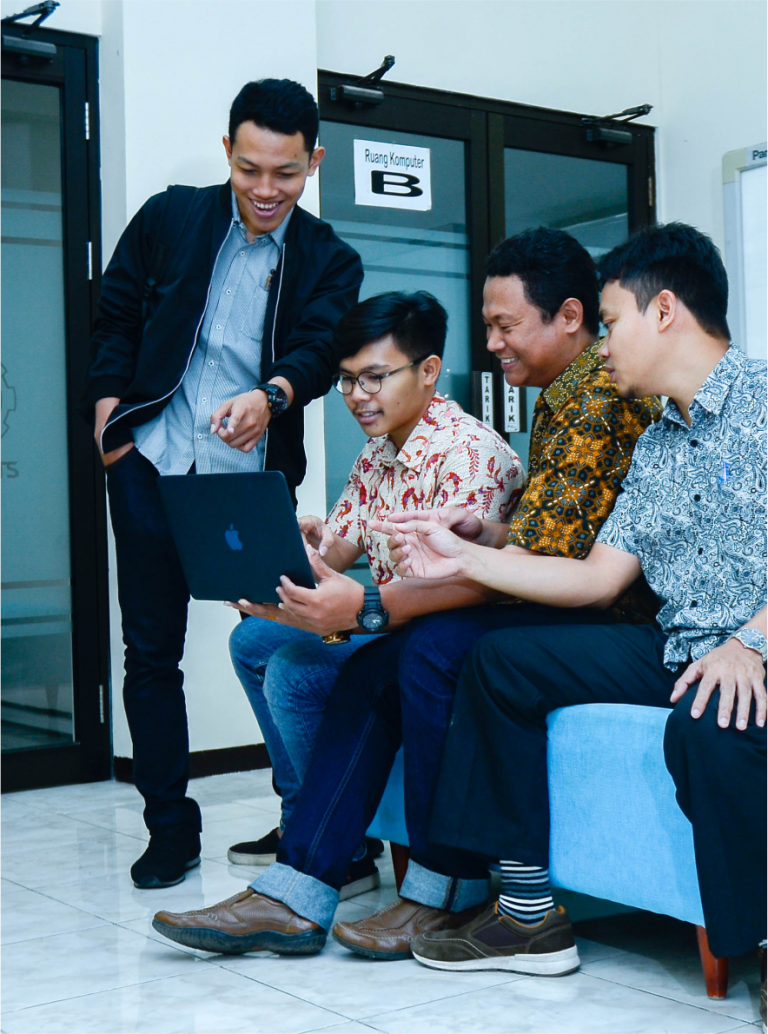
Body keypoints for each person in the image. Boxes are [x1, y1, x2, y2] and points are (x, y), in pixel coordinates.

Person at [150, 227, 661, 957]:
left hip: (597, 618)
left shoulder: (577, 402)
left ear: (572, 317)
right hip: (559, 600)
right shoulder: (562, 399)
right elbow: (550, 540)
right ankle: (304, 884)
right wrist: (485, 534)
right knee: (342, 656)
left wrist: (370, 605)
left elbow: (552, 569)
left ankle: (430, 886)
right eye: (347, 379)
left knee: (418, 654)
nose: (491, 343)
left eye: (505, 325)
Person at [378, 222, 766, 975]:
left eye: (611, 323)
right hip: (677, 646)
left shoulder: (762, 404)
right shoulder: (659, 441)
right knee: (501, 662)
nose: (604, 345)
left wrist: (749, 642)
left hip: (748, 646)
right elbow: (595, 578)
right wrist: (466, 556)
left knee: (711, 727)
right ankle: (526, 917)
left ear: (664, 312)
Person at [80, 78, 363, 889]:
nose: (266, 190)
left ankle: (314, 816)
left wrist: (272, 396)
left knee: (290, 636)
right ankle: (169, 829)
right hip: (151, 465)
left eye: (286, 173)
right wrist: (110, 425)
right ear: (228, 153)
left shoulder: (330, 259)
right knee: (149, 654)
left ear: (314, 161)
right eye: (249, 170)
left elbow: (319, 349)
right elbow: (115, 312)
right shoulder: (172, 218)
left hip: (247, 482)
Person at [223, 289, 524, 898]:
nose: (358, 395)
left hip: (444, 634)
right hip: (385, 620)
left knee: (295, 671)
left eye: (375, 378)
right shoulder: (379, 452)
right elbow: (336, 549)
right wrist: (290, 555)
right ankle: (314, 822)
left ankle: (333, 842)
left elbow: (464, 587)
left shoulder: (471, 454)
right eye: (347, 380)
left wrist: (349, 607)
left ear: (429, 371)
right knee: (253, 640)